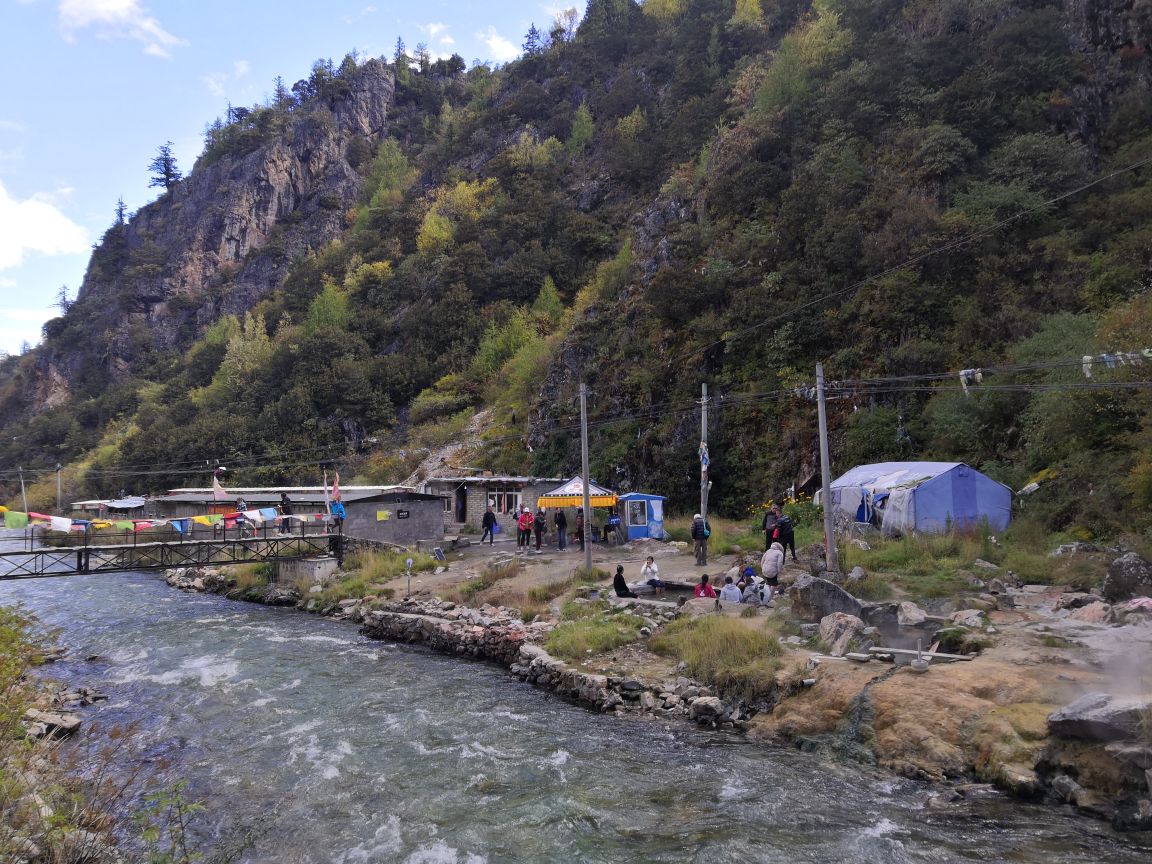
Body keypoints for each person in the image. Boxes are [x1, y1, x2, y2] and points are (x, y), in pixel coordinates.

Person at [761, 541, 784, 605]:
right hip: (772, 571)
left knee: (768, 583)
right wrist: (779, 571)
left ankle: (766, 596)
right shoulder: (779, 553)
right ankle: (769, 599)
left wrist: (762, 568)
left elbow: (762, 560)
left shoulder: (768, 551)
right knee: (774, 584)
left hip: (765, 570)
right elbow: (779, 563)